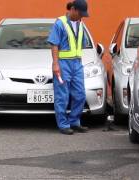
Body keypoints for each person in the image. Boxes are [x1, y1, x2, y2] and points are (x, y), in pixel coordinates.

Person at [48, 0, 89, 135]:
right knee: (62, 96)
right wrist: (55, 64)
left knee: (80, 94)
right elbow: (54, 44)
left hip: (77, 64)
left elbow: (81, 45)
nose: (81, 16)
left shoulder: (80, 24)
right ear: (73, 9)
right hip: (63, 63)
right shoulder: (60, 23)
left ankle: (74, 121)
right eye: (80, 13)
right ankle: (63, 125)